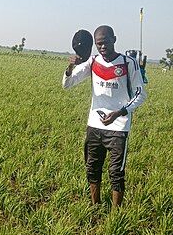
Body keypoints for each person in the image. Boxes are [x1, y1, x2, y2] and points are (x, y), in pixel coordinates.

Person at [62, 25, 147, 207]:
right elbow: (67, 84)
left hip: (118, 126)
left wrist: (119, 113)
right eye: (99, 44)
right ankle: (96, 205)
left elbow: (140, 94)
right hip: (95, 125)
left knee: (116, 171)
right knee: (92, 167)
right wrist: (71, 66)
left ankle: (116, 212)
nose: (102, 47)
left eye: (106, 42)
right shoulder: (93, 62)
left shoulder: (127, 63)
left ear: (114, 40)